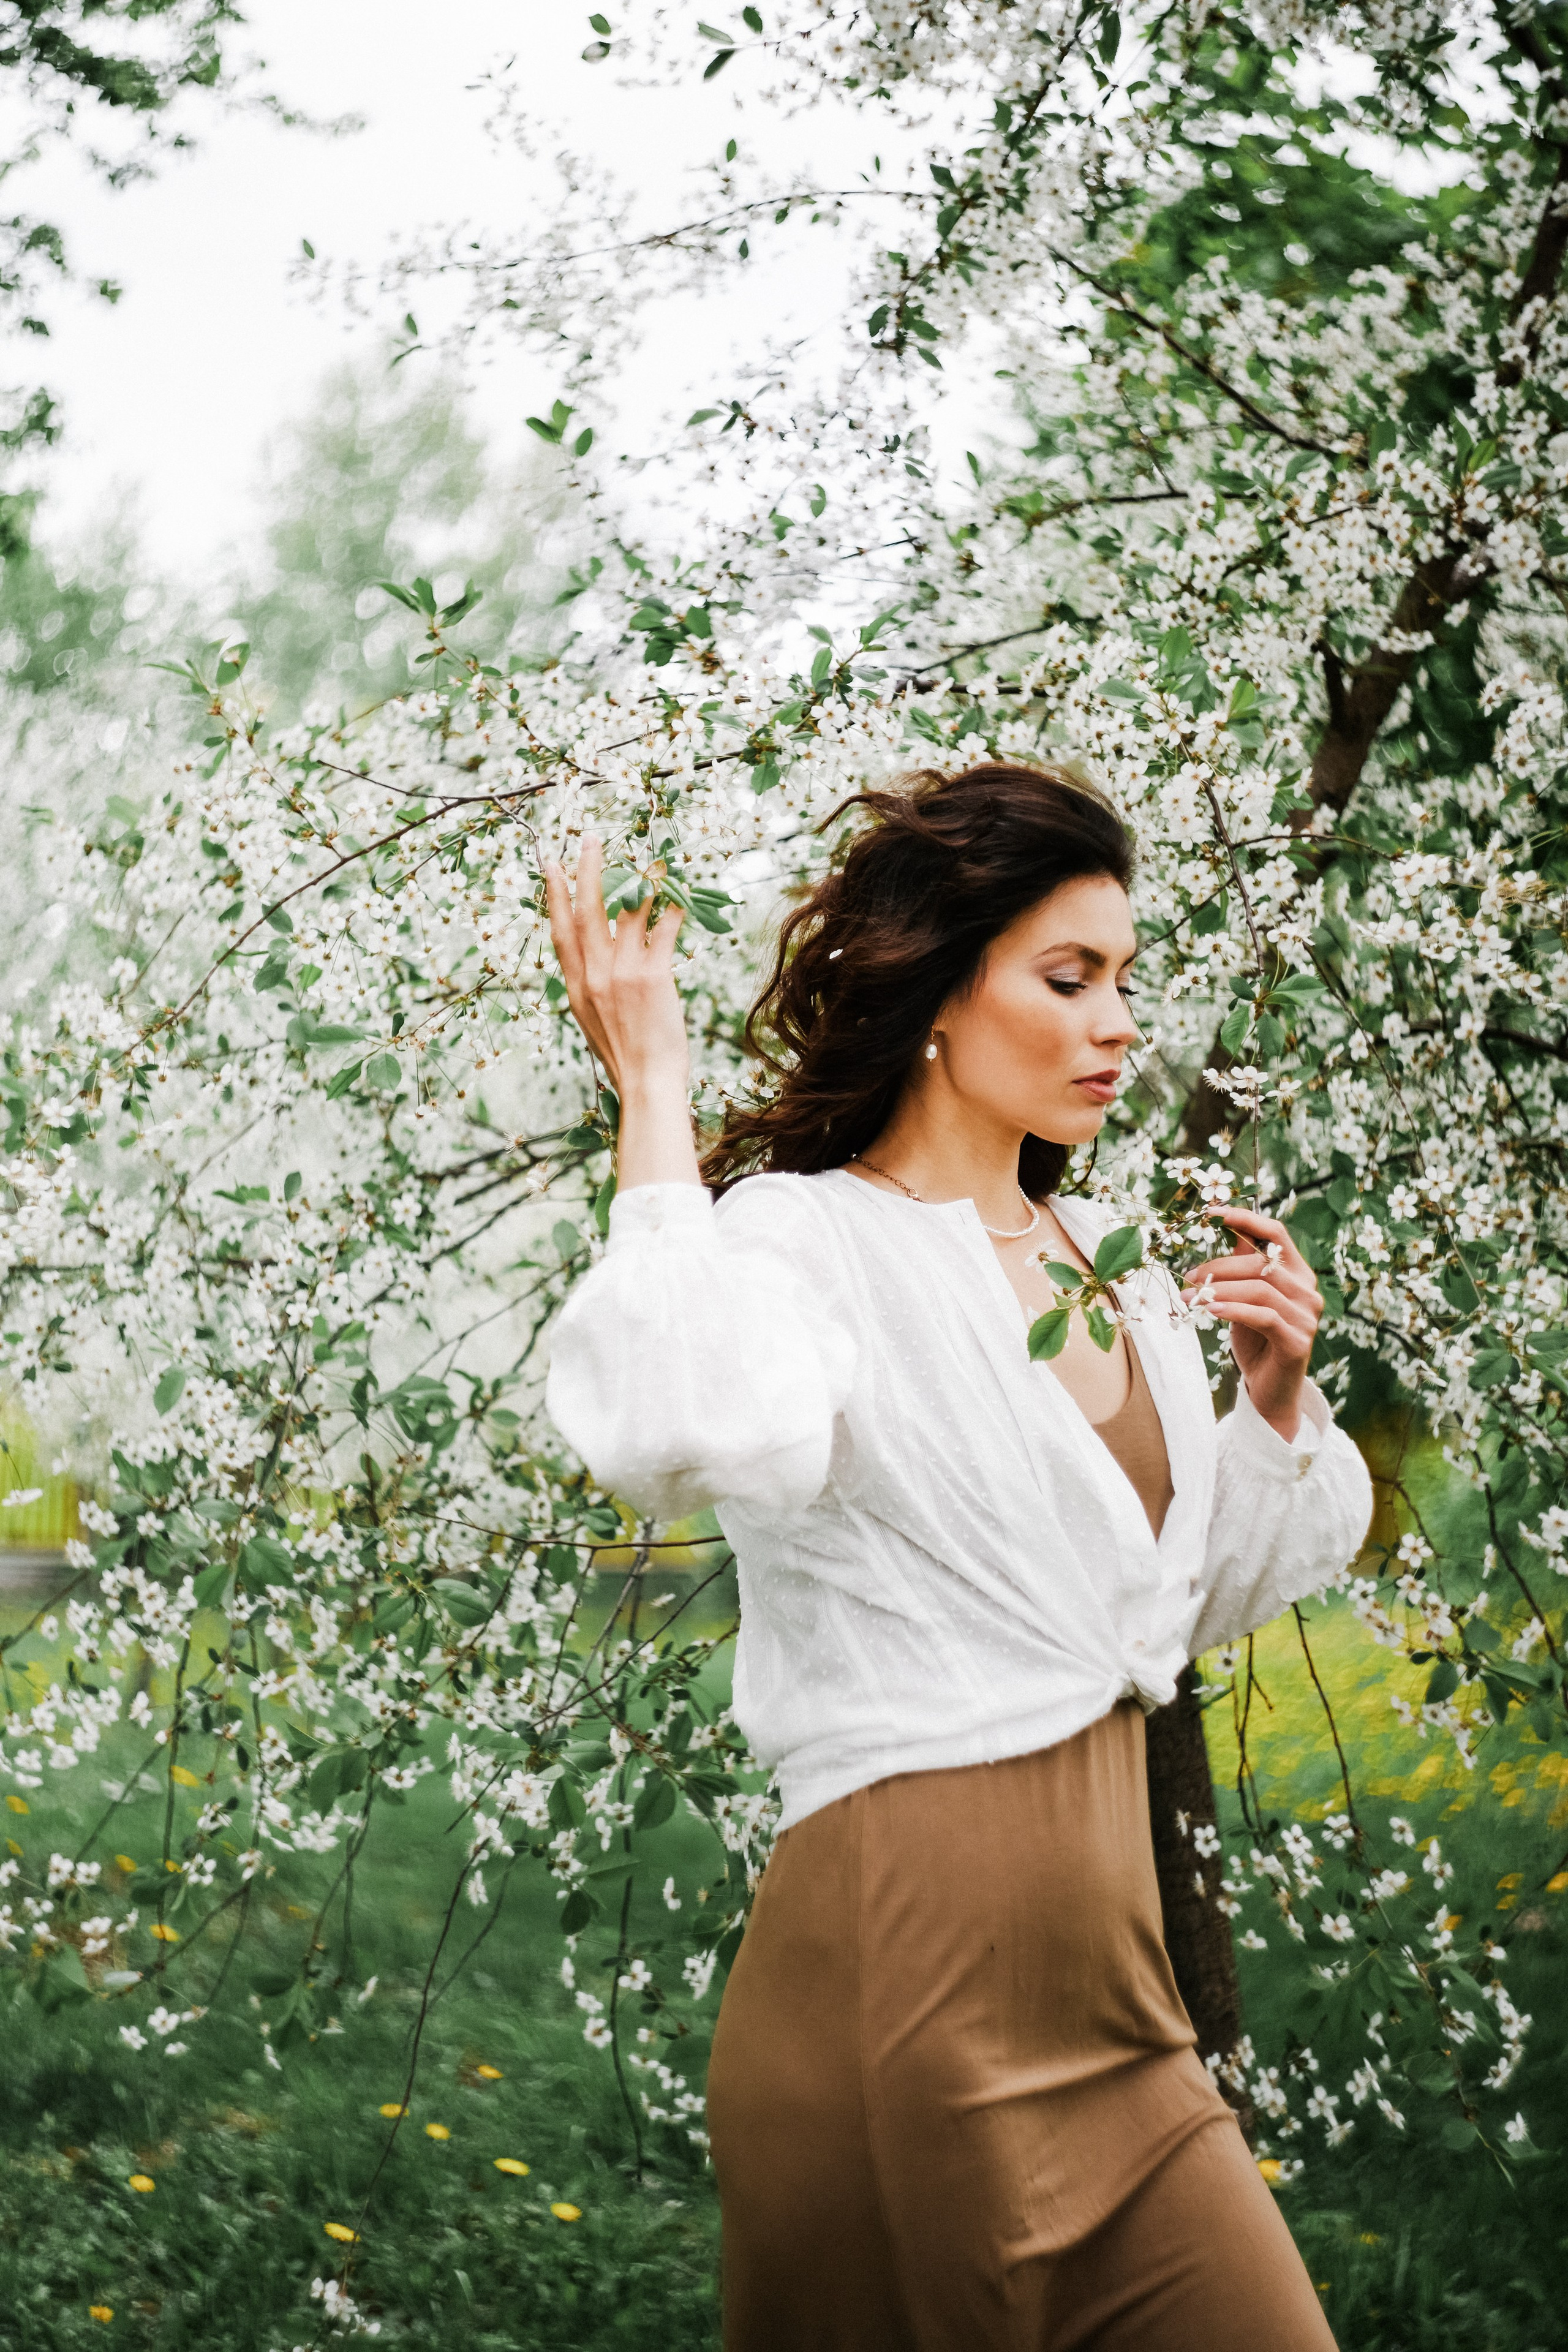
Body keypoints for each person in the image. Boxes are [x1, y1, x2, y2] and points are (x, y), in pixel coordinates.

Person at [543, 761, 1371, 2352]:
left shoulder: (1112, 1262)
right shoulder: (809, 1240)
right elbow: (669, 1419)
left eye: (1126, 980)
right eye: (1069, 980)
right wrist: (653, 1086)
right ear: (938, 984)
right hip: (900, 2009)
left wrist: (1269, 1407)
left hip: (1131, 2028)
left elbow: (1148, 1617)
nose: (1118, 1022)